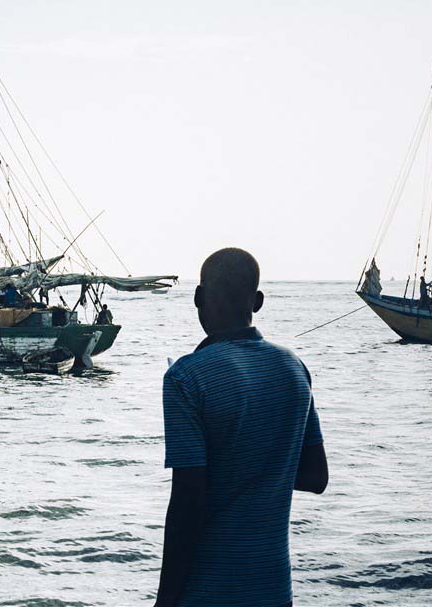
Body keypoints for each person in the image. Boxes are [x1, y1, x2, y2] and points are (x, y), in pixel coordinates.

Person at [155, 248, 327, 607]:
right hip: (275, 591)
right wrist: (260, 463)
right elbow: (315, 477)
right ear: (258, 301)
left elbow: (188, 502)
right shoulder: (294, 369)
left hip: (208, 593)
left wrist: (166, 602)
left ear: (199, 298)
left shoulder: (186, 377)